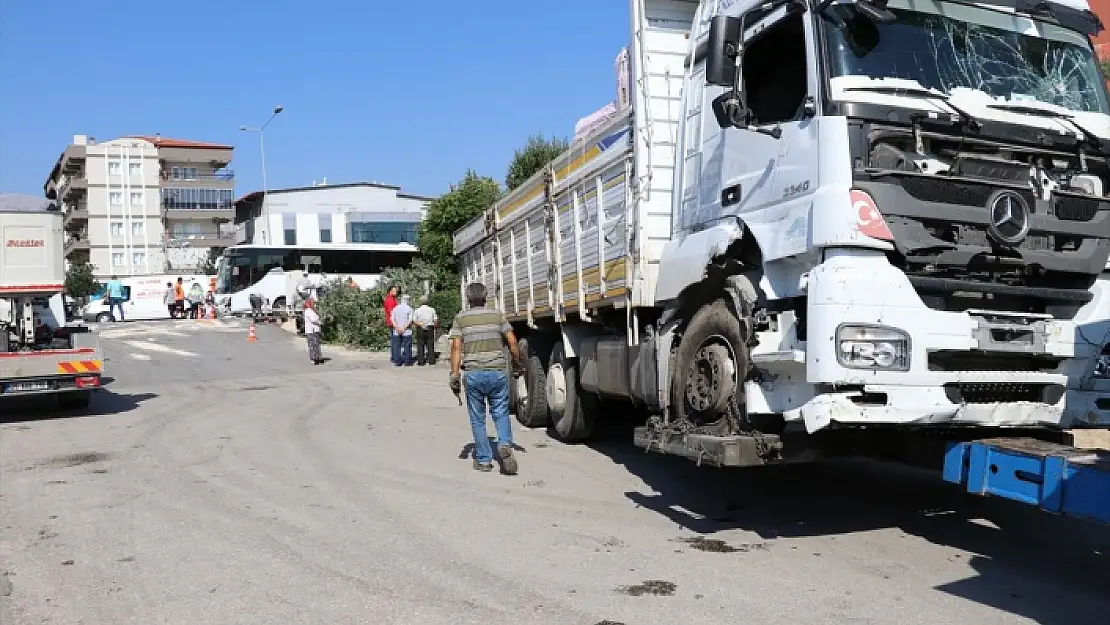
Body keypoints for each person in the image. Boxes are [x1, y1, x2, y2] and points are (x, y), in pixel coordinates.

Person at [449, 282, 522, 475]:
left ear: (467, 298)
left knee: (477, 418)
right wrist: (517, 363)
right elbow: (512, 341)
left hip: (473, 373)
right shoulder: (497, 315)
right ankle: (505, 444)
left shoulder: (460, 318)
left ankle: (483, 460)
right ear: (486, 297)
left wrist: (454, 374)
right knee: (501, 412)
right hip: (497, 372)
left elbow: (456, 347)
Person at [390, 294, 415, 367]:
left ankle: (397, 361)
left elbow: (392, 319)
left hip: (396, 331)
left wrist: (397, 327)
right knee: (407, 346)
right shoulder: (409, 309)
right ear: (407, 300)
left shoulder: (395, 308)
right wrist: (404, 328)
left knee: (397, 347)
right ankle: (407, 362)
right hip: (407, 331)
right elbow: (410, 320)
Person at [412, 297, 438, 366]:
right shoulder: (432, 309)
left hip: (420, 328)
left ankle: (421, 361)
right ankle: (431, 360)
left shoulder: (417, 310)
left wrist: (421, 324)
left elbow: (414, 320)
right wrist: (435, 327)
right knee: (430, 344)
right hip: (430, 327)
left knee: (420, 345)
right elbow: (435, 320)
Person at [303, 298, 324, 365]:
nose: (314, 304)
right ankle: (314, 359)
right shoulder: (308, 311)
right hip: (311, 330)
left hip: (314, 330)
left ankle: (318, 358)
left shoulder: (312, 310)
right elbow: (313, 320)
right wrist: (320, 322)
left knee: (316, 344)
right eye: (313, 303)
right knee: (313, 345)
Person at [383, 286, 399, 365]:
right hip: (393, 322)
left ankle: (394, 357)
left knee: (394, 340)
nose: (396, 292)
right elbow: (391, 312)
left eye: (396, 290)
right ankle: (395, 358)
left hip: (392, 322)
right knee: (395, 340)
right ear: (390, 291)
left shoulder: (392, 299)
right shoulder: (389, 300)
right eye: (394, 290)